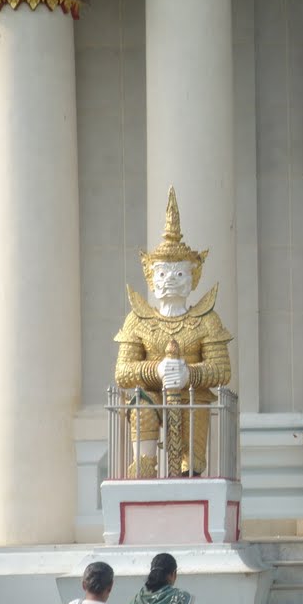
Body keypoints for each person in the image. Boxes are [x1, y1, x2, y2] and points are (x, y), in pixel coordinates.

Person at [114, 187, 232, 477]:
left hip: (194, 398)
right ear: (151, 279)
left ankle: (189, 465)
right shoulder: (138, 320)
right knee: (140, 402)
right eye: (163, 274)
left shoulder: (206, 319)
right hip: (152, 394)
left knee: (189, 466)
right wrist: (158, 370)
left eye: (179, 274)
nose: (170, 281)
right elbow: (123, 372)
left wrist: (189, 374)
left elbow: (222, 369)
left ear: (193, 278)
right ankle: (145, 461)